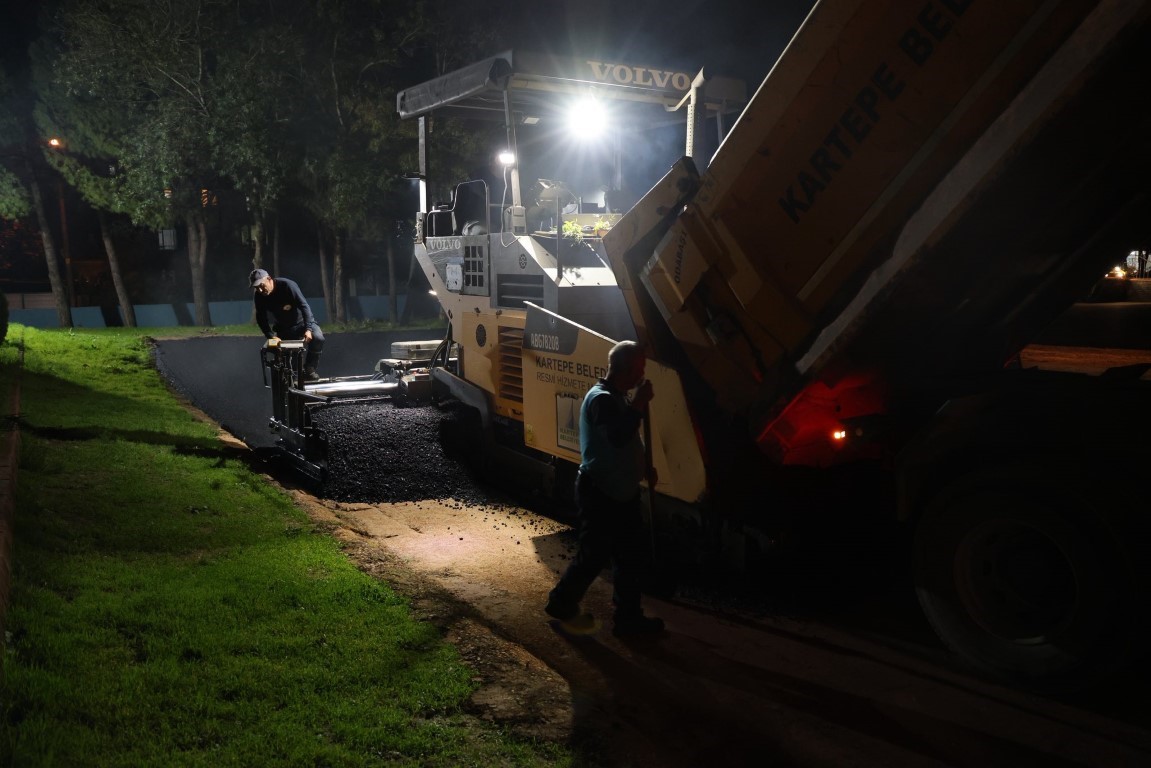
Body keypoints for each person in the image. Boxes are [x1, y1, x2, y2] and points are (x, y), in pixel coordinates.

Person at [545, 340, 665, 637]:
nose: (642, 375)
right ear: (628, 369)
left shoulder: (617, 398)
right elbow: (617, 436)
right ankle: (561, 603)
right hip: (601, 493)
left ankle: (628, 619)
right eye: (640, 368)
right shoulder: (601, 400)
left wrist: (642, 467)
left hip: (620, 492)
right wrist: (639, 403)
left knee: (628, 556)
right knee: (594, 556)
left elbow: (625, 441)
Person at [249, 268, 325, 380]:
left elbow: (304, 306)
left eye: (261, 285)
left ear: (269, 279)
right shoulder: (259, 296)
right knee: (274, 348)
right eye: (256, 288)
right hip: (283, 329)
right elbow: (261, 319)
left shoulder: (287, 285)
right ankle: (288, 376)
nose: (260, 290)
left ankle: (309, 369)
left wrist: (308, 329)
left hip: (302, 323)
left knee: (318, 338)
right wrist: (271, 336)